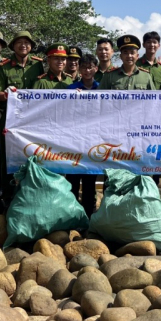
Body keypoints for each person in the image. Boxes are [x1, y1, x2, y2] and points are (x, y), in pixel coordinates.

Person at [0, 30, 42, 199]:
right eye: (19, 42)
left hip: (33, 118)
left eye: (27, 43)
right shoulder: (3, 66)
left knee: (31, 152)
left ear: (31, 47)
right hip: (9, 117)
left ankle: (29, 191)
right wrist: (5, 94)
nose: (23, 46)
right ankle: (3, 193)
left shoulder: (37, 65)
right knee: (6, 154)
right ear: (13, 46)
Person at [65, 53, 100, 214]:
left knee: (90, 179)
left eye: (90, 67)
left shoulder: (101, 88)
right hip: (74, 140)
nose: (87, 70)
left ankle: (89, 213)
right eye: (84, 67)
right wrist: (71, 98)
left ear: (96, 69)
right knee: (72, 178)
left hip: (94, 140)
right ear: (79, 69)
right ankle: (71, 212)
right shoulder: (71, 89)